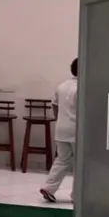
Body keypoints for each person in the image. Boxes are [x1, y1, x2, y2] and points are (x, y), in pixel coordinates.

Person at [40, 58, 78, 203]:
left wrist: (60, 120)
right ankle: (77, 195)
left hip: (61, 129)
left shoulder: (61, 86)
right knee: (80, 163)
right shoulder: (83, 88)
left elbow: (54, 105)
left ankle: (48, 188)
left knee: (62, 160)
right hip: (77, 130)